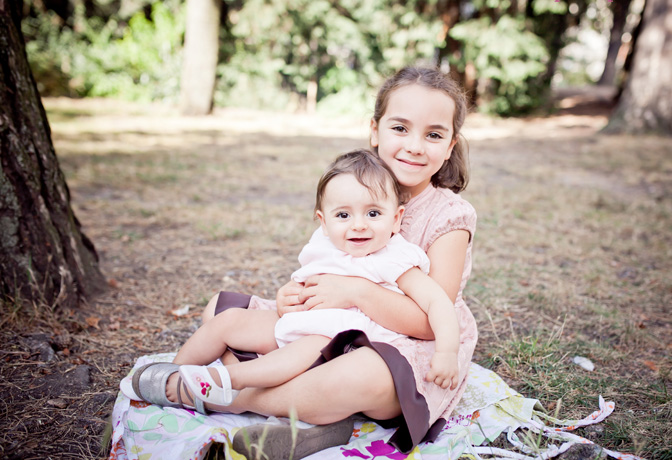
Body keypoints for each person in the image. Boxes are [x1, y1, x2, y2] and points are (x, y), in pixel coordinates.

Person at [128, 66, 478, 459]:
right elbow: (326, 268)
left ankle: (234, 399)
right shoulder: (353, 185)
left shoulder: (448, 217)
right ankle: (319, 418)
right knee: (221, 314)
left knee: (357, 376)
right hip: (327, 331)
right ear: (375, 130)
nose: (415, 146)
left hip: (403, 344)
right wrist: (289, 298)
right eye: (401, 128)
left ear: (450, 146)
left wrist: (356, 292)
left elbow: (430, 321)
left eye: (433, 134)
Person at [166, 149, 460, 405]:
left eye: (373, 214)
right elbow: (306, 281)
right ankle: (171, 372)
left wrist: (447, 352)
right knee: (228, 321)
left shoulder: (394, 257)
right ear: (324, 221)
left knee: (307, 347)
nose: (358, 226)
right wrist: (289, 296)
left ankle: (229, 380)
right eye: (343, 216)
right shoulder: (325, 243)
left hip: (341, 344)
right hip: (302, 321)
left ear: (395, 219)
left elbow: (437, 302)